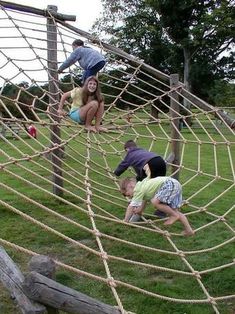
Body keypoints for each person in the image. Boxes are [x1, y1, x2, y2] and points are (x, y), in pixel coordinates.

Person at [119, 177, 194, 236]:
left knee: (155, 202)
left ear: (131, 186)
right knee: (174, 210)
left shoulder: (137, 190)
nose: (128, 197)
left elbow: (131, 207)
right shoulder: (142, 185)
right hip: (175, 184)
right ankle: (189, 230)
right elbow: (144, 200)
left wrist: (125, 220)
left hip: (169, 184)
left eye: (127, 194)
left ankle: (174, 216)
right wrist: (140, 210)